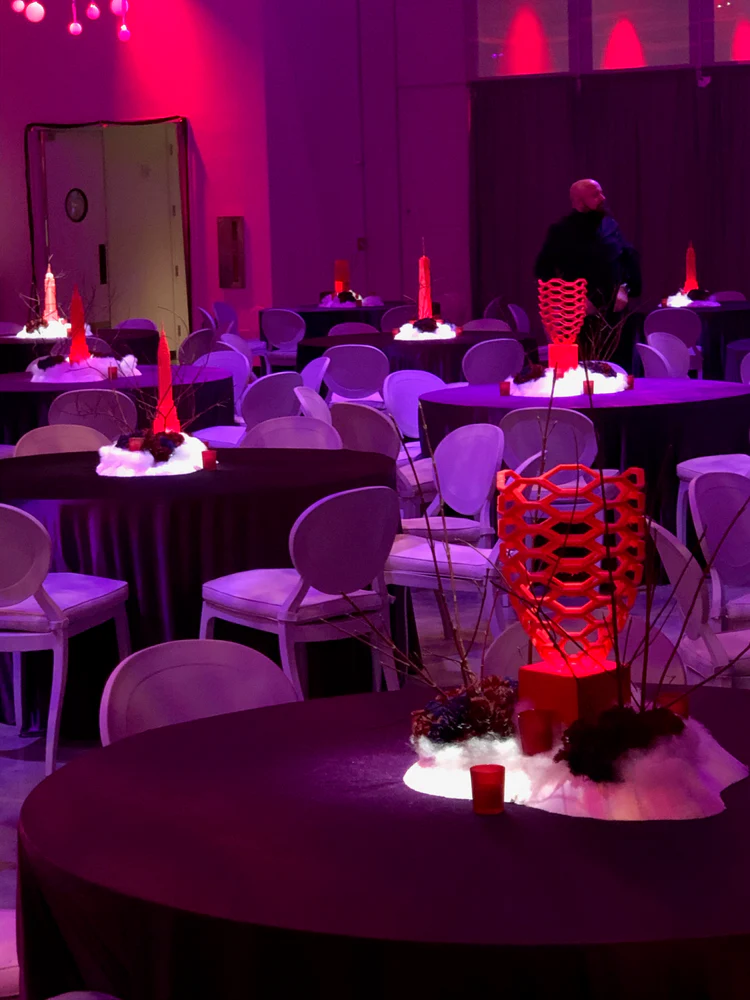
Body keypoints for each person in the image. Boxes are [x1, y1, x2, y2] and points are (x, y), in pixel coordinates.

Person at [535, 179, 641, 363]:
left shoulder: (609, 225)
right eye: (595, 195)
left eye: (601, 192)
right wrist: (574, 298)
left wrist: (625, 288)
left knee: (620, 368)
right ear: (579, 202)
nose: (603, 198)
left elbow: (628, 258)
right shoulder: (561, 231)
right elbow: (543, 269)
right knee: (585, 368)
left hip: (615, 314)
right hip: (579, 317)